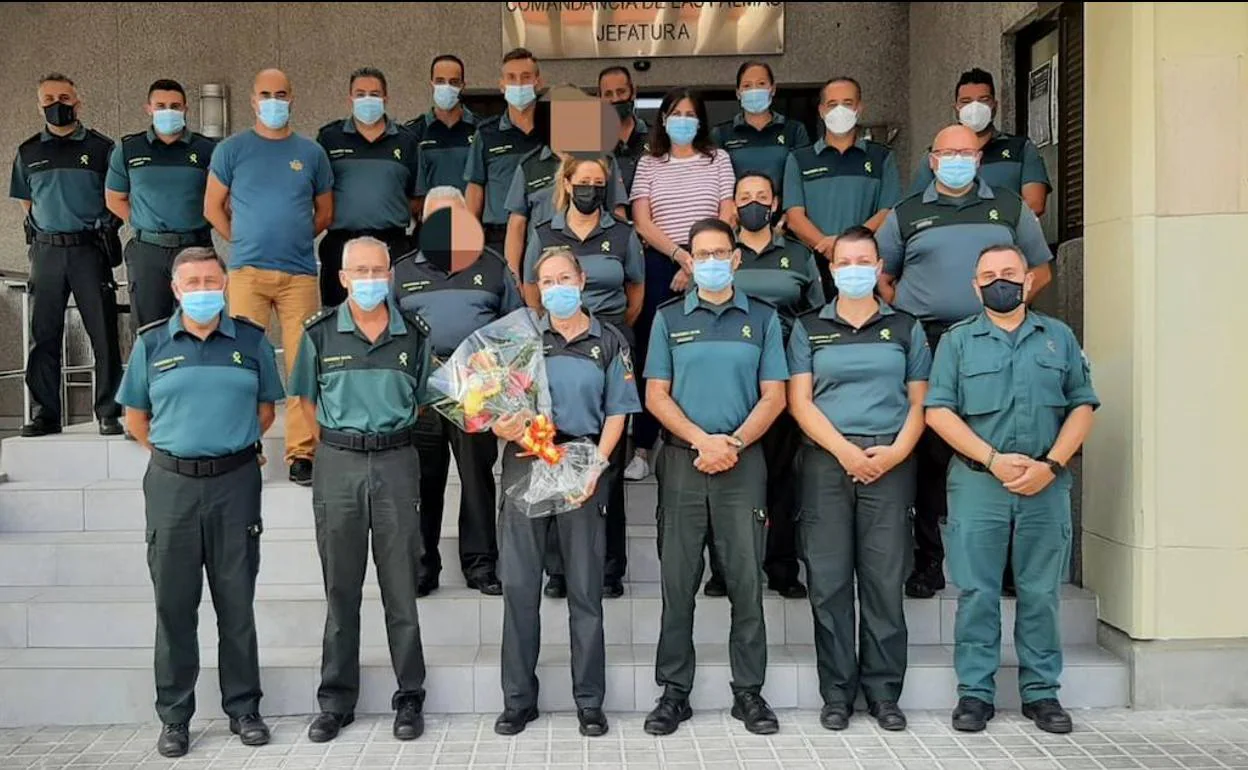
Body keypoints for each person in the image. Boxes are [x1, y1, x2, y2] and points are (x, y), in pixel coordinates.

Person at [115, 246, 283, 758]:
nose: (204, 289)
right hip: (173, 489)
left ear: (226, 282)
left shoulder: (250, 341)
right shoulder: (152, 344)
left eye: (212, 280)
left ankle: (244, 708)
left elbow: (266, 411)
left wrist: (226, 447)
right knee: (174, 605)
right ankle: (175, 716)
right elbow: (135, 419)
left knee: (237, 602)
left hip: (235, 484)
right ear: (175, 289)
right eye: (193, 282)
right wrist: (181, 453)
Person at [924, 244, 1098, 735]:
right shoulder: (957, 343)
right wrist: (994, 460)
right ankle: (975, 694)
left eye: (1009, 272)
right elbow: (938, 410)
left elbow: (1082, 405)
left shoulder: (1057, 337)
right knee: (977, 593)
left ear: (1027, 279)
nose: (1000, 281)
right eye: (989, 275)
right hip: (980, 483)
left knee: (1041, 592)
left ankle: (1042, 693)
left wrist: (1052, 463)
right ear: (975, 286)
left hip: (1046, 484)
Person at [877, 124, 1053, 601]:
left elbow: (1040, 267)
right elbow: (884, 277)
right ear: (931, 160)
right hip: (929, 341)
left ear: (979, 157)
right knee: (929, 454)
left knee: (999, 441)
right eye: (946, 152)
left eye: (965, 151)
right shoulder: (906, 213)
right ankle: (928, 562)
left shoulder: (1010, 207)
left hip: (995, 339)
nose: (956, 158)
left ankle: (1009, 565)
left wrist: (1009, 308)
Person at [642, 218, 788, 737]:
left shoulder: (764, 319)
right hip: (683, 463)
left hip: (743, 463)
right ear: (689, 260)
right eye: (700, 254)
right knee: (677, 584)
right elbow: (655, 394)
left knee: (747, 583)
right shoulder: (667, 318)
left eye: (719, 252)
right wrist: (702, 441)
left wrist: (733, 444)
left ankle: (748, 691)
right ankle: (673, 693)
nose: (710, 261)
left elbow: (775, 395)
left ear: (736, 258)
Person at [287, 237, 434, 744]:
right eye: (360, 271)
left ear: (390, 275)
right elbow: (305, 400)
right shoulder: (320, 334)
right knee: (340, 588)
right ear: (343, 277)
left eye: (379, 270)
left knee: (401, 588)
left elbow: (420, 399)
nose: (370, 279)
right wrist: (341, 437)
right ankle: (336, 701)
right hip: (338, 463)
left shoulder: (413, 335)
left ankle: (409, 695)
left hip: (396, 460)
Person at [491, 247, 641, 738]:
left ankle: (589, 701)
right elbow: (492, 408)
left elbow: (618, 411)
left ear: (581, 280)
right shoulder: (520, 339)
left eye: (563, 277)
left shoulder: (609, 341)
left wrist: (596, 466)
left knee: (584, 589)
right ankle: (518, 700)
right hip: (525, 464)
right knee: (518, 588)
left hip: (582, 466)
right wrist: (505, 425)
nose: (556, 287)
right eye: (546, 280)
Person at [786, 226, 930, 733]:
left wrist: (891, 455)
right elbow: (799, 402)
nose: (853, 270)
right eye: (843, 262)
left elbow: (921, 403)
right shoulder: (808, 327)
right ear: (831, 269)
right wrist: (847, 452)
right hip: (828, 461)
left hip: (891, 461)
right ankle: (838, 692)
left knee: (883, 581)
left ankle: (884, 692)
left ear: (878, 268)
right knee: (827, 583)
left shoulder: (907, 328)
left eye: (862, 261)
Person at [204, 68, 333, 487]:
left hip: (299, 275)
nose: (273, 100)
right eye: (265, 93)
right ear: (252, 99)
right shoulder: (231, 149)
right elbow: (212, 207)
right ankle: (247, 445)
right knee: (245, 362)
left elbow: (325, 212)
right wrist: (241, 243)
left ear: (292, 97)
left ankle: (301, 453)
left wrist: (294, 239)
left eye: (281, 93)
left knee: (302, 365)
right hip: (247, 273)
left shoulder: (310, 152)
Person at [523, 156, 645, 600]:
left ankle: (609, 568)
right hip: (554, 342)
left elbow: (636, 291)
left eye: (599, 183)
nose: (590, 189)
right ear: (567, 184)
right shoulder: (543, 233)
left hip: (604, 338)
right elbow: (532, 287)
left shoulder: (623, 234)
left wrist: (604, 329)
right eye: (583, 182)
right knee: (552, 462)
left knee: (606, 475)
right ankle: (557, 569)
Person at [394, 187, 524, 597]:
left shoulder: (495, 265)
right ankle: (420, 566)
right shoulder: (401, 271)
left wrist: (499, 384)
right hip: (424, 396)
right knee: (421, 482)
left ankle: (482, 565)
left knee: (476, 480)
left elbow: (517, 332)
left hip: (477, 394)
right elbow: (389, 336)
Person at [714, 171, 825, 600]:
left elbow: (814, 316)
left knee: (782, 476)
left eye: (762, 196)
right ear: (733, 204)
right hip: (732, 375)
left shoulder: (797, 255)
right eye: (745, 196)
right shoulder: (721, 253)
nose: (754, 203)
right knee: (731, 474)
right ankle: (726, 568)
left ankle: (781, 565)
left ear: (775, 202)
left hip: (784, 377)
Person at [628, 87, 736, 482]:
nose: (684, 120)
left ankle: (695, 436)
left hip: (711, 263)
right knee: (653, 356)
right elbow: (642, 220)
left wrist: (696, 262)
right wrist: (679, 256)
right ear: (663, 120)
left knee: (700, 353)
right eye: (676, 113)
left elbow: (727, 213)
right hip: (660, 263)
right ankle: (642, 445)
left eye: (691, 113)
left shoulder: (718, 159)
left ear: (701, 120)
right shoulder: (650, 163)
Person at [10, 72, 124, 437]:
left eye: (64, 97)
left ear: (79, 101)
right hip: (46, 253)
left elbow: (119, 198)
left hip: (89, 250)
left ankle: (109, 411)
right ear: (39, 104)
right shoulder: (28, 151)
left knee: (103, 333)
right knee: (43, 335)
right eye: (48, 99)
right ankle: (46, 414)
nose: (57, 104)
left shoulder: (103, 148)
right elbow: (28, 203)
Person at [105, 78, 217, 327]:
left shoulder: (208, 149)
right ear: (149, 109)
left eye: (175, 106)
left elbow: (221, 198)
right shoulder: (128, 149)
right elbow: (115, 199)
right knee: (149, 329)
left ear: (186, 109)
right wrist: (145, 220)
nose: (169, 111)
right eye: (161, 105)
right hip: (148, 251)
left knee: (201, 327)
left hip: (195, 248)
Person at [783, 76, 901, 296]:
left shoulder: (881, 157)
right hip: (815, 266)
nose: (840, 110)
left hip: (865, 267)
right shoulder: (800, 159)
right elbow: (795, 217)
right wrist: (830, 248)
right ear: (821, 111)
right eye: (832, 104)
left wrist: (848, 247)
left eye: (847, 104)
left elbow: (887, 212)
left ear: (859, 108)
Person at [315, 67, 420, 306]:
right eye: (360, 94)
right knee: (337, 319)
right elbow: (317, 193)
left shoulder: (406, 141)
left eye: (374, 93)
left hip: (393, 245)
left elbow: (417, 197)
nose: (367, 99)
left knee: (396, 314)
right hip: (341, 246)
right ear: (349, 98)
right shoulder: (329, 138)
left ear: (386, 98)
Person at [502, 85, 628, 279]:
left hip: (598, 268)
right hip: (546, 274)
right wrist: (513, 276)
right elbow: (516, 226)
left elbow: (618, 214)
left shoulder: (604, 161)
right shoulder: (530, 165)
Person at [909, 68, 1052, 216]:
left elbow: (1035, 205)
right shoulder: (936, 156)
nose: (974, 108)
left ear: (994, 106)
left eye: (984, 100)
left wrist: (989, 222)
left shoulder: (1021, 149)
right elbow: (915, 209)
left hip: (1006, 236)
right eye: (966, 101)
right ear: (956, 109)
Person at [465, 47, 545, 257]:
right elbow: (475, 189)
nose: (518, 84)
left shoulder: (554, 130)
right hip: (497, 237)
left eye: (526, 77)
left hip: (546, 235)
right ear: (502, 85)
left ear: (538, 82)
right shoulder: (486, 133)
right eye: (511, 78)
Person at [712, 62, 810, 191]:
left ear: (773, 89)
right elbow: (715, 184)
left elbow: (805, 177)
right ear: (738, 93)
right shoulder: (721, 134)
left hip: (785, 210)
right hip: (736, 210)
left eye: (761, 84)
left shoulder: (795, 130)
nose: (754, 90)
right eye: (747, 86)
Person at [407, 55, 478, 202]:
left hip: (471, 222)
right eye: (440, 81)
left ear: (462, 85)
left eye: (453, 82)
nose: (446, 87)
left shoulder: (481, 130)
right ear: (431, 84)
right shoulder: (413, 133)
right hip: (430, 221)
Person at [597, 65, 649, 201]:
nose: (615, 99)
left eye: (621, 92)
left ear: (633, 92)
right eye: (608, 94)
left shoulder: (656, 138)